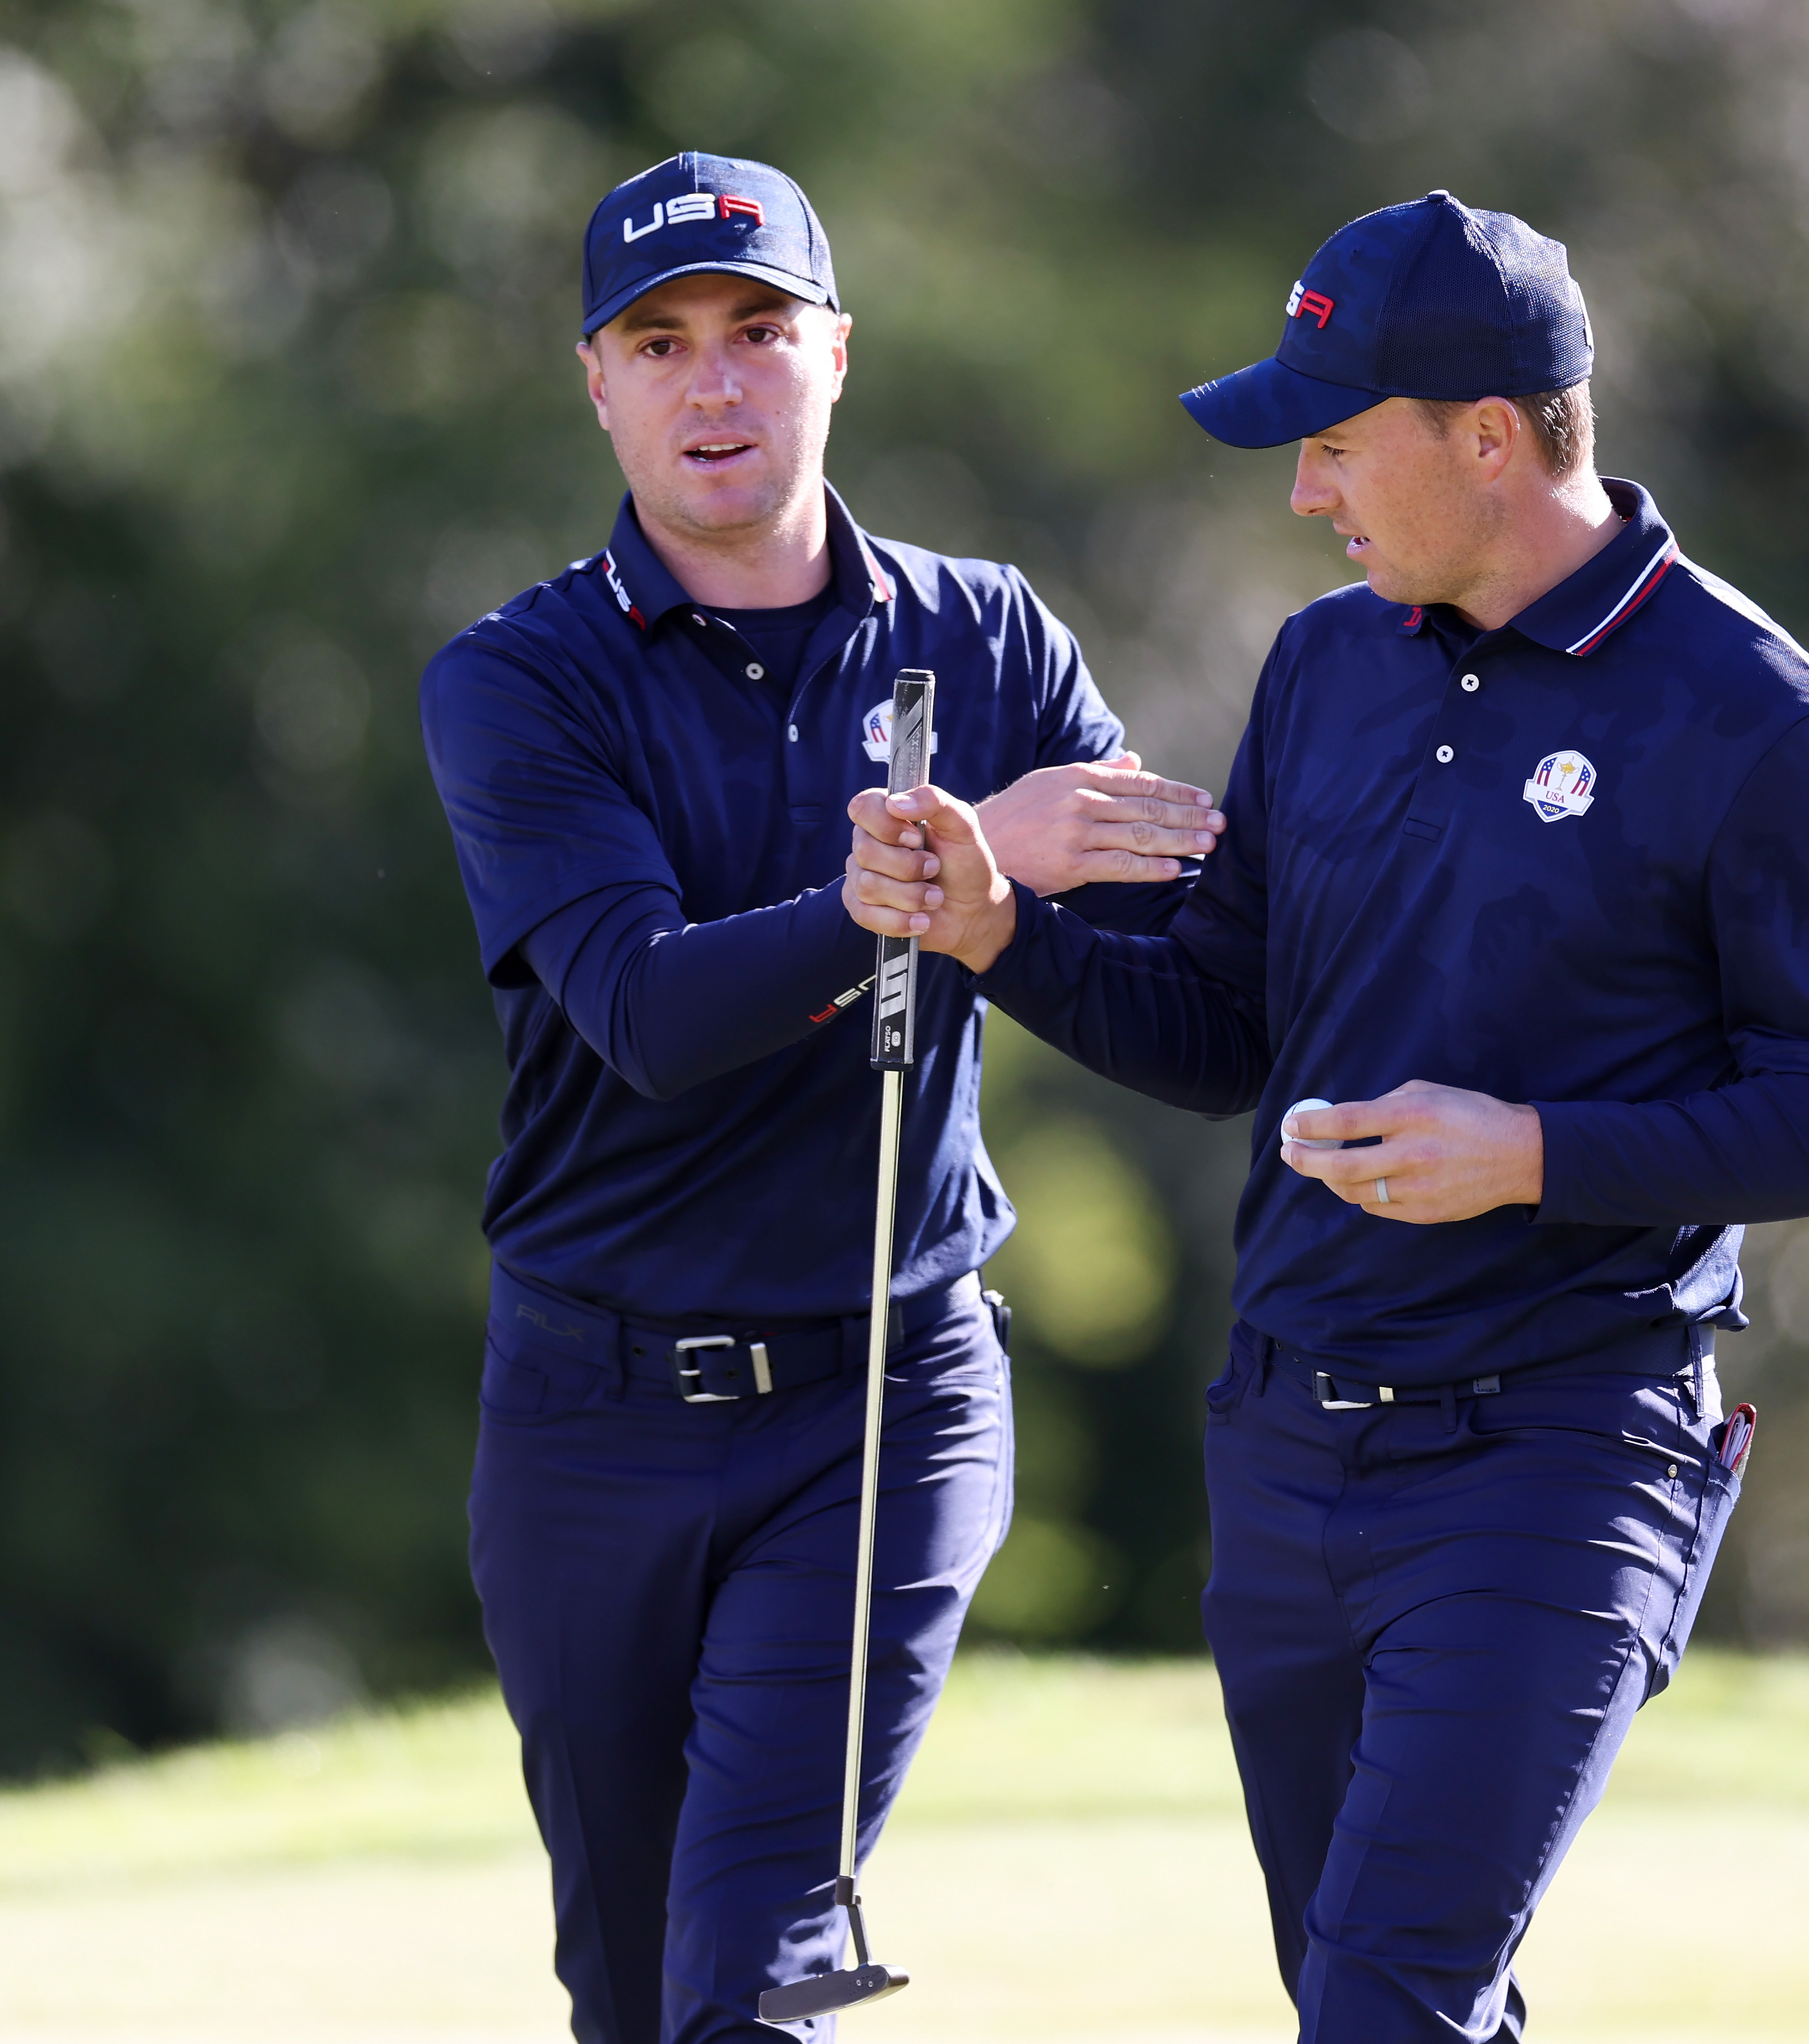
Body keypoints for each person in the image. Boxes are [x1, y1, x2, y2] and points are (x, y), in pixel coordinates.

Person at [842, 193, 1809, 2042]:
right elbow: (1224, 1031)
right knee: (1376, 1994)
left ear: (1490, 437)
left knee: (1383, 2003)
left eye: (1338, 445)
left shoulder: (1761, 722)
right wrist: (1001, 935)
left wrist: (1532, 1154)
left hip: (1562, 1452)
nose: (1305, 493)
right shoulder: (1326, 665)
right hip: (1289, 1443)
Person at [416, 152, 1224, 2044]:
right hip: (592, 1413)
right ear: (597, 383)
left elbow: (1191, 1004)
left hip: (884, 1402)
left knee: (750, 1975)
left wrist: (1000, 909)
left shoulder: (988, 638)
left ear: (836, 356)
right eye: (660, 342)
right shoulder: (521, 682)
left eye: (759, 332)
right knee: (634, 1994)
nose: (715, 382)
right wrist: (923, 886)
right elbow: (642, 1008)